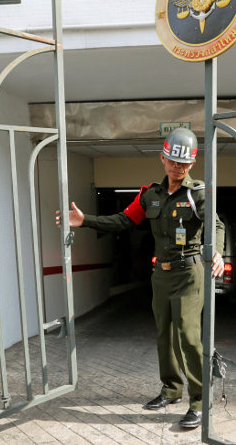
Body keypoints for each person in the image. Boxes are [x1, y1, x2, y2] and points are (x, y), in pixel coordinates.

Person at [56, 128, 225, 428]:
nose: (177, 167)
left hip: (190, 274)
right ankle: (171, 389)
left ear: (192, 164)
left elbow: (216, 224)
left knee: (187, 335)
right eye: (173, 160)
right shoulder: (150, 195)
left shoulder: (197, 193)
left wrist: (218, 253)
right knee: (164, 334)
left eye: (184, 163)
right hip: (161, 275)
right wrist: (85, 222)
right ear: (162, 158)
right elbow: (123, 219)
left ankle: (200, 401)